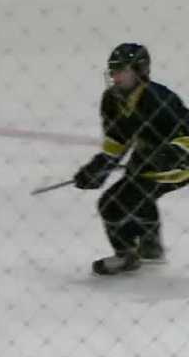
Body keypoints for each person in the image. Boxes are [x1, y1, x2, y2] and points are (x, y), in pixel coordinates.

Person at [73, 43, 189, 275]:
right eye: (112, 70)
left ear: (139, 70)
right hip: (145, 161)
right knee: (130, 196)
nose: (115, 76)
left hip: (178, 167)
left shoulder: (159, 99)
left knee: (117, 202)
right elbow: (117, 139)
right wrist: (100, 166)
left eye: (121, 70)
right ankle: (150, 249)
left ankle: (128, 255)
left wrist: (172, 153)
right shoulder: (111, 100)